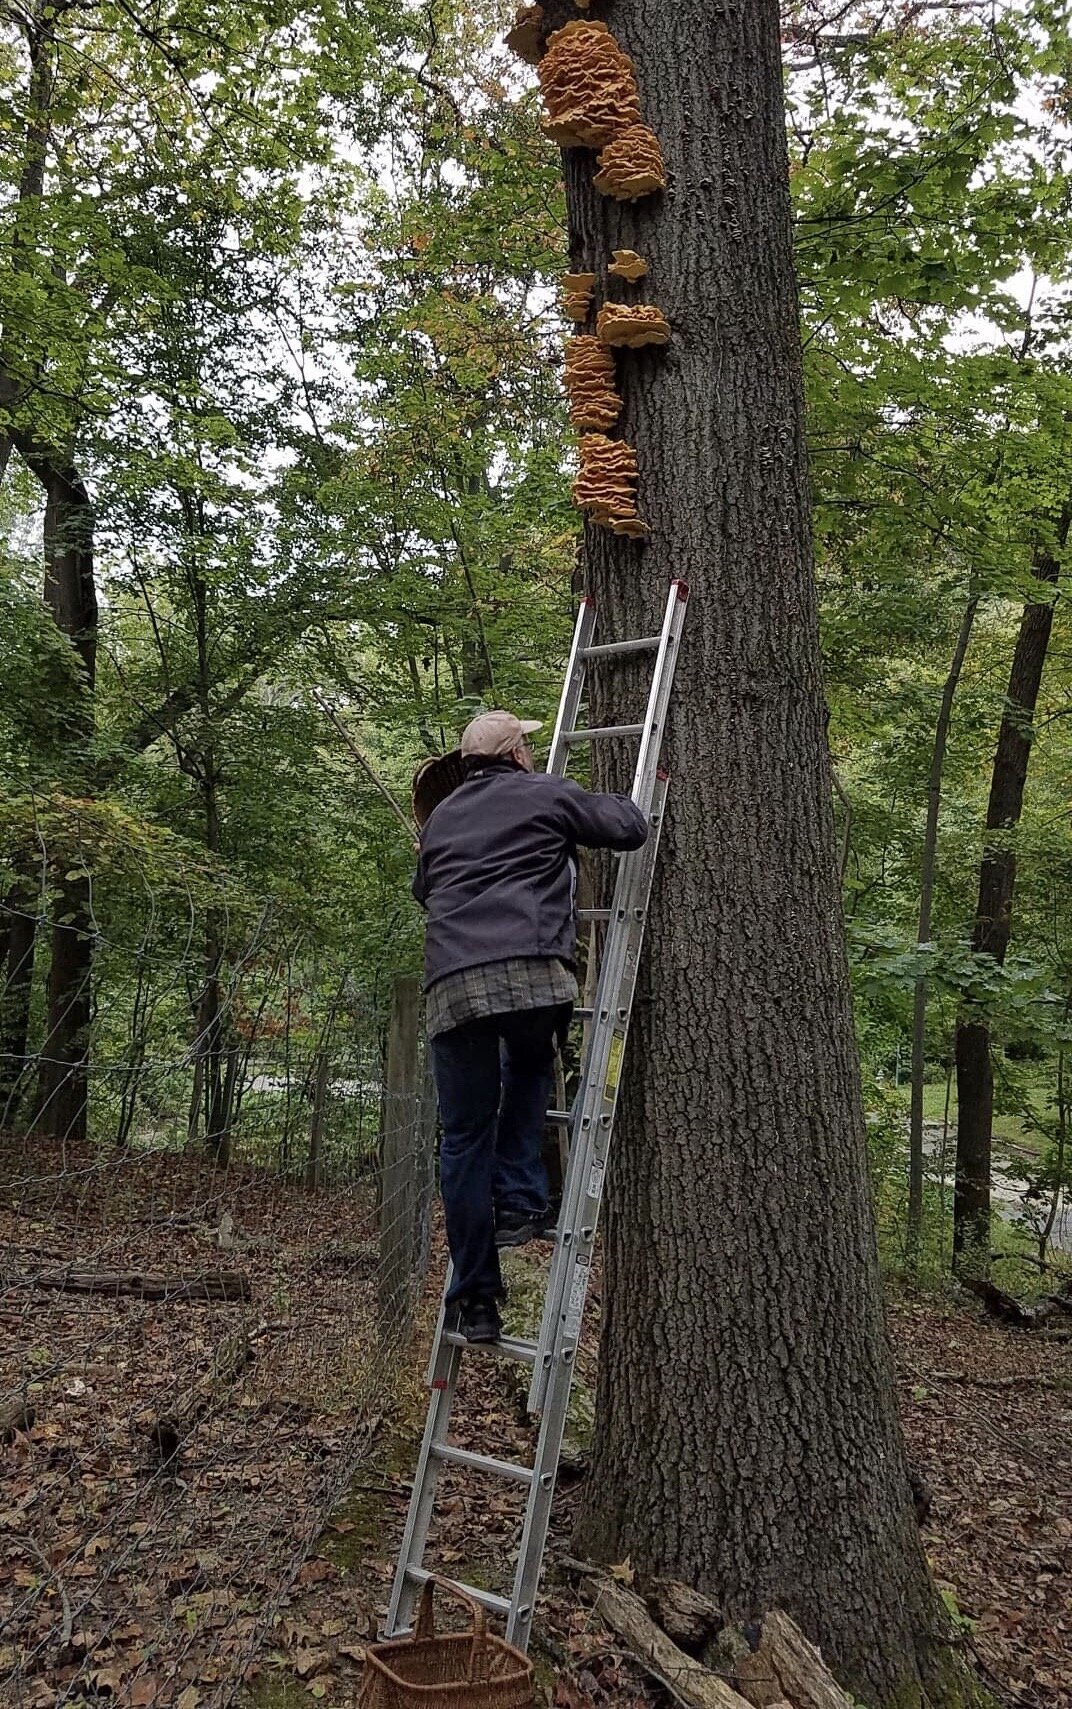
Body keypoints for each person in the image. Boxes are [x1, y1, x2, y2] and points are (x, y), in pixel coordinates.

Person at [412, 709, 649, 1344]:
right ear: (518, 754)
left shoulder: (439, 822)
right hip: (532, 970)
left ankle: (478, 1302)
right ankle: (518, 1201)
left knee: (462, 1139)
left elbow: (423, 890)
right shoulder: (544, 792)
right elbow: (628, 828)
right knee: (530, 1066)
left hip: (452, 984)